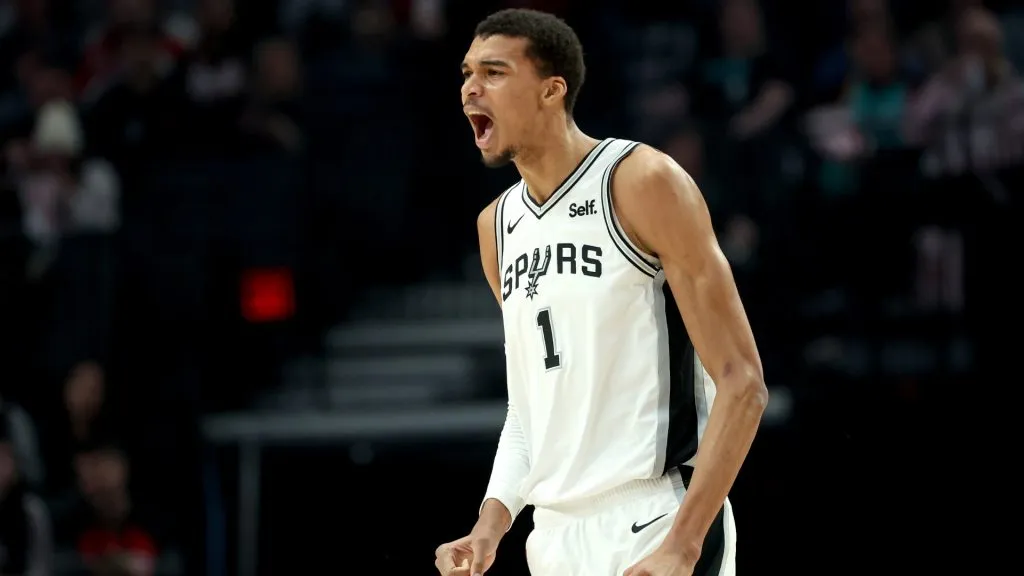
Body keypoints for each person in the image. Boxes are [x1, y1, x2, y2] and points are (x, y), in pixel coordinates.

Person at [434, 9, 769, 576]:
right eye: (467, 72)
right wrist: (491, 526)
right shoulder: (496, 228)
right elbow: (531, 408)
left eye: (494, 72)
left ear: (551, 90)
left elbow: (743, 382)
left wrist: (683, 547)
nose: (471, 86)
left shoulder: (640, 180)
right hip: (554, 536)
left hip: (658, 514)